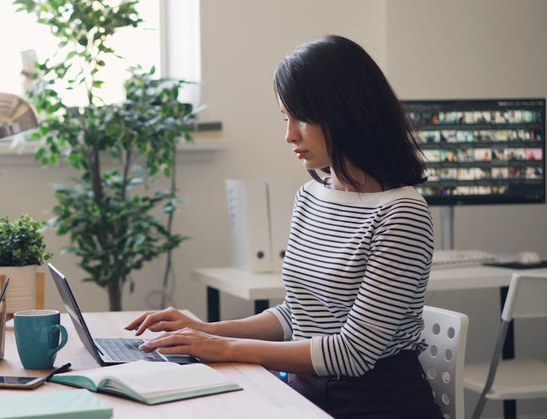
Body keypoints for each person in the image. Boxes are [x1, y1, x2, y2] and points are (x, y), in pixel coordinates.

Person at [126, 35, 442, 419]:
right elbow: (298, 314)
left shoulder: (401, 213)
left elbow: (353, 353)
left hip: (375, 404)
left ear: (349, 113)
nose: (289, 135)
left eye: (303, 118)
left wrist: (222, 347)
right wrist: (208, 330)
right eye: (285, 118)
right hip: (305, 393)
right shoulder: (311, 195)